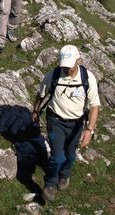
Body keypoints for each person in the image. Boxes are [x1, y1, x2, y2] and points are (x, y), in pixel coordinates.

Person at [32, 45, 100, 202]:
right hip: (56, 120)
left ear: (79, 60)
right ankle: (49, 184)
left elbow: (95, 105)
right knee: (58, 156)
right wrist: (35, 111)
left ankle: (65, 175)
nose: (66, 69)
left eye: (70, 66)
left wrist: (89, 130)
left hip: (77, 124)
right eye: (64, 66)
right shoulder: (54, 75)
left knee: (70, 154)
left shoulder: (88, 78)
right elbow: (41, 94)